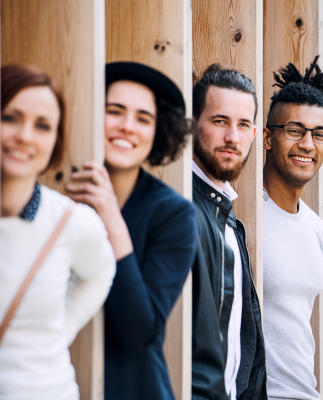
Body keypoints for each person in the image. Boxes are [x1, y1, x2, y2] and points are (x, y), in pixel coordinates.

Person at [66, 62, 197, 400]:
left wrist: (110, 213)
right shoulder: (59, 193)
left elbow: (138, 332)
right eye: (114, 111)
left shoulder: (175, 215)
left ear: (158, 131)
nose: (127, 127)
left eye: (143, 118)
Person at [0, 64, 116, 400]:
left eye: (43, 126)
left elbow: (101, 273)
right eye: (11, 117)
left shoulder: (70, 221)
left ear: (55, 141)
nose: (25, 135)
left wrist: (59, 330)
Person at [262, 56, 323, 400]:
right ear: (267, 138)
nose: (308, 144)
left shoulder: (316, 229)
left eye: (319, 134)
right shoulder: (241, 216)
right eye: (294, 131)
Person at [191, 64, 267, 400]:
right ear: (193, 125)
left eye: (243, 125)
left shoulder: (231, 223)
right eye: (220, 121)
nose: (232, 137)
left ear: (254, 134)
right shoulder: (183, 210)